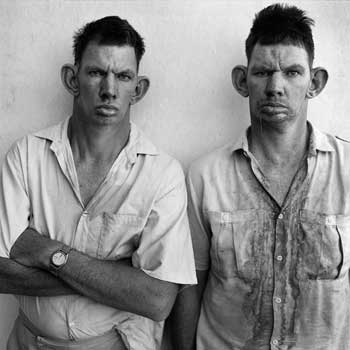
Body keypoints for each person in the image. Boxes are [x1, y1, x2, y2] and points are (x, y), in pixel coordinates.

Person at [0, 16, 196, 350]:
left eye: (123, 76)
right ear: (72, 79)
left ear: (139, 88)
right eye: (96, 73)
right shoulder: (26, 154)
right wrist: (116, 277)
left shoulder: (163, 174)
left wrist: (47, 253)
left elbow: (158, 299)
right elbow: (2, 273)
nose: (109, 90)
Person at [169, 3, 350, 350]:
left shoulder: (346, 170)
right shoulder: (205, 176)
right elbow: (189, 285)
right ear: (242, 81)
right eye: (263, 72)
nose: (275, 86)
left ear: (315, 82)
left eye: (293, 72)